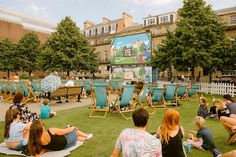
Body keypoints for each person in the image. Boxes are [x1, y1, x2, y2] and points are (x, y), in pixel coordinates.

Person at [28, 121, 93, 156]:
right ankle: (86, 136)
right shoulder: (51, 130)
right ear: (41, 128)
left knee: (64, 131)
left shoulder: (36, 141)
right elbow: (65, 131)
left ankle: (80, 138)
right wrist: (73, 127)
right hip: (67, 142)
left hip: (61, 146)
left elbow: (44, 150)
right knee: (70, 128)